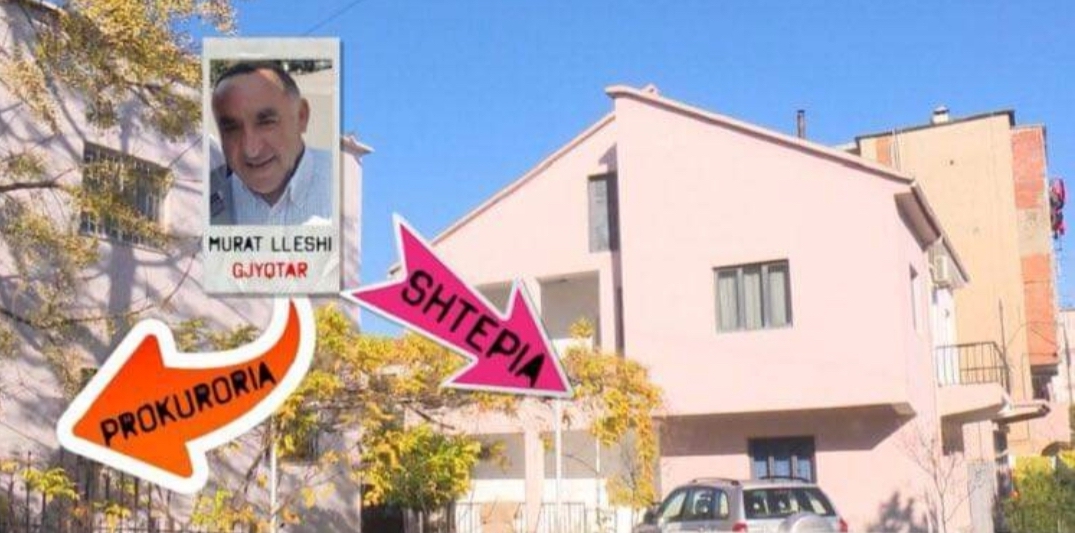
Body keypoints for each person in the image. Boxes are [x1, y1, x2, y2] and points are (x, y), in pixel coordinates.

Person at [208, 61, 332, 226]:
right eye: (232, 129)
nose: (251, 150)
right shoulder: (210, 198)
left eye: (266, 122)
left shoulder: (346, 184)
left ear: (301, 116)